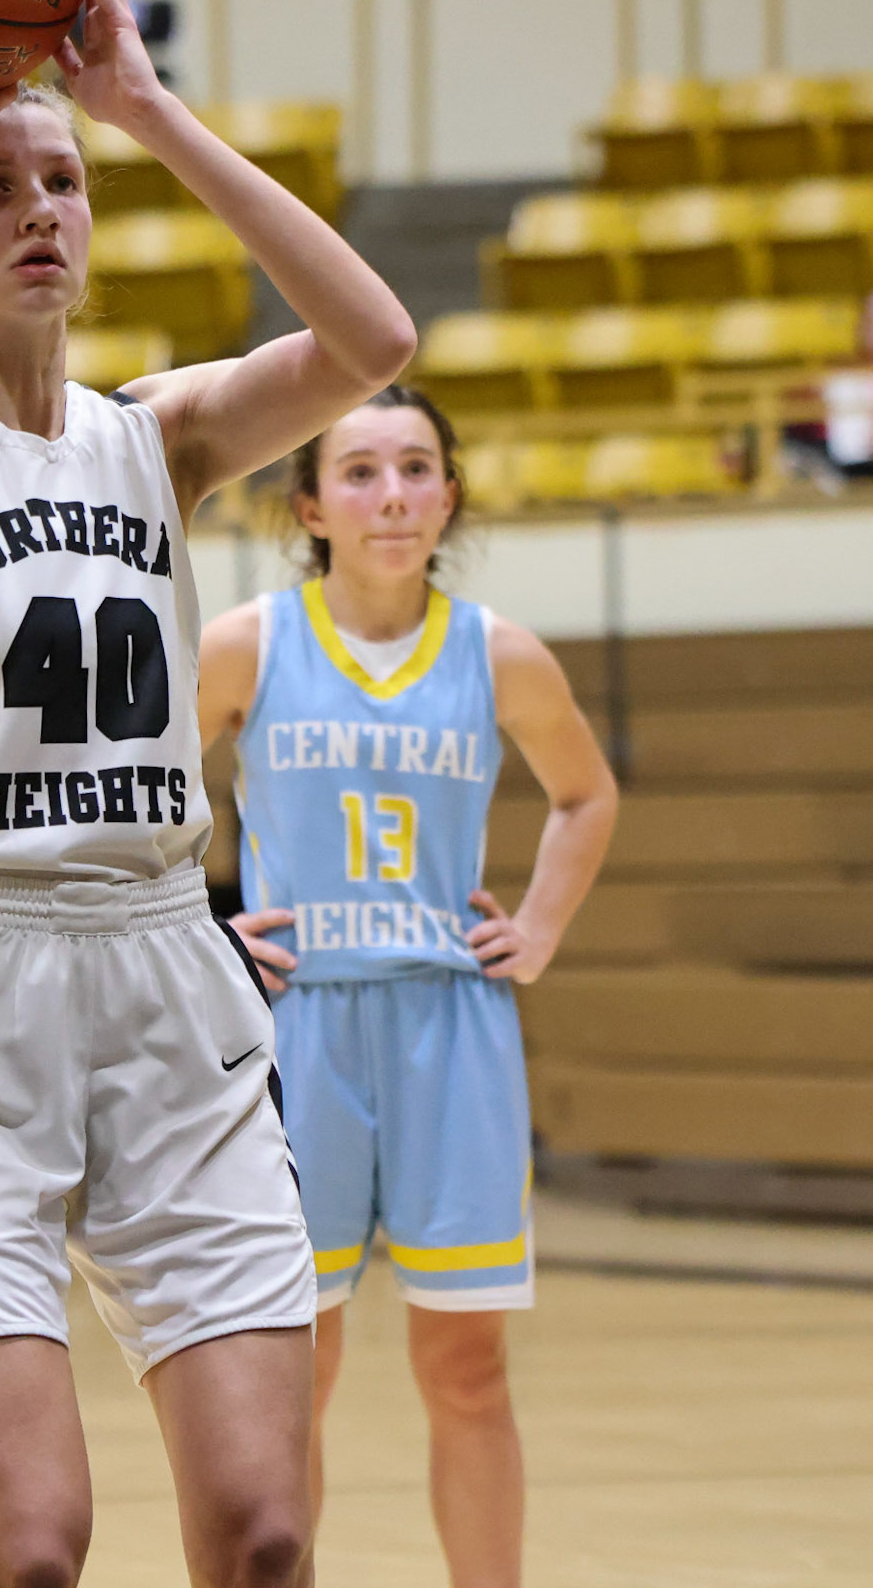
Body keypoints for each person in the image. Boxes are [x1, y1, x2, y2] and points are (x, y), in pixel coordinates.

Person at [0, 0, 416, 1588]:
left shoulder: (160, 433)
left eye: (59, 182)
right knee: (29, 1546)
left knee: (271, 1530)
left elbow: (377, 346)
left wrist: (142, 107)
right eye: (3, 188)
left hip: (165, 971)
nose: (39, 211)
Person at [198, 387, 618, 1588]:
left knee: (469, 1369)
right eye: (363, 471)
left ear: (448, 496)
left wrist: (537, 927)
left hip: (451, 1025)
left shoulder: (496, 652)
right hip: (301, 1029)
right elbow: (138, 797)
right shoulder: (249, 643)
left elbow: (587, 795)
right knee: (298, 1371)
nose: (391, 494)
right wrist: (201, 932)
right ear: (312, 503)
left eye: (416, 469)